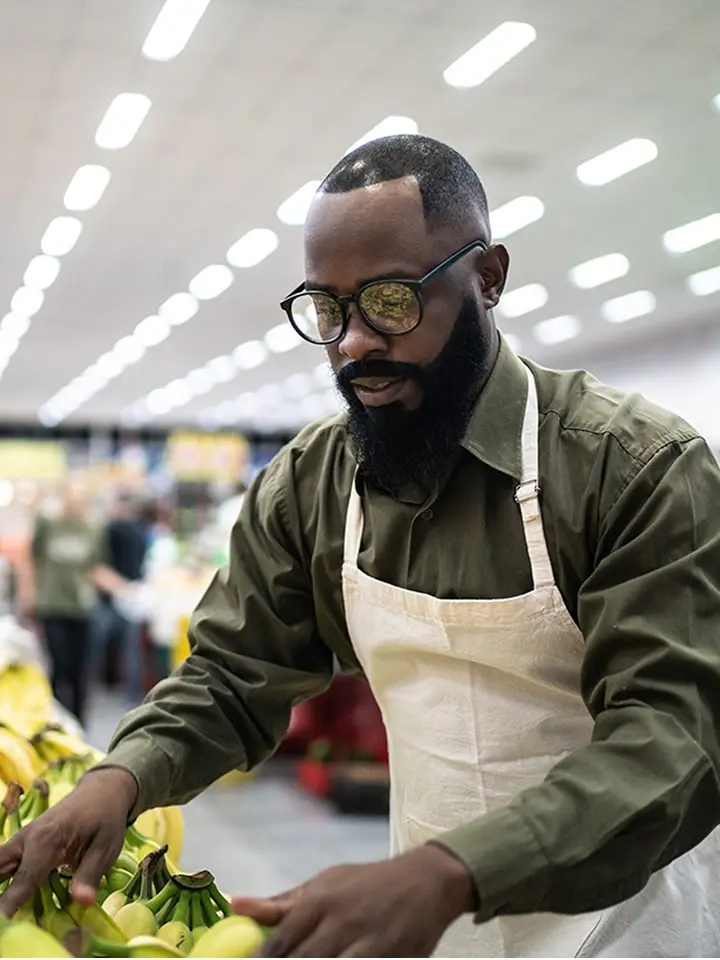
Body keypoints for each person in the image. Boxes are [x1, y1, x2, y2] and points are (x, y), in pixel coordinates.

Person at [2, 135, 720, 958]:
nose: (351, 343)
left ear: (486, 278)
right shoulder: (315, 480)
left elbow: (674, 738)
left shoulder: (628, 468)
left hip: (630, 919)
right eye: (326, 308)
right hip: (430, 918)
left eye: (389, 301)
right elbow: (235, 674)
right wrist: (120, 778)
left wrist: (452, 871)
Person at [23, 481, 130, 726]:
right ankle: (55, 722)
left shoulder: (93, 528)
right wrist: (28, 593)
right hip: (52, 605)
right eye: (72, 495)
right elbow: (32, 559)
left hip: (82, 607)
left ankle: (78, 724)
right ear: (63, 497)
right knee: (59, 668)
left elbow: (95, 567)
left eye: (81, 496)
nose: (76, 501)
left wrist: (123, 588)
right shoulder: (48, 524)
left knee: (81, 671)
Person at [94, 493, 148, 704]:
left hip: (113, 593)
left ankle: (101, 684)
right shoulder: (140, 530)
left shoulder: (111, 530)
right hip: (131, 591)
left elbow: (100, 562)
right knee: (130, 647)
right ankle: (131, 691)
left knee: (103, 643)